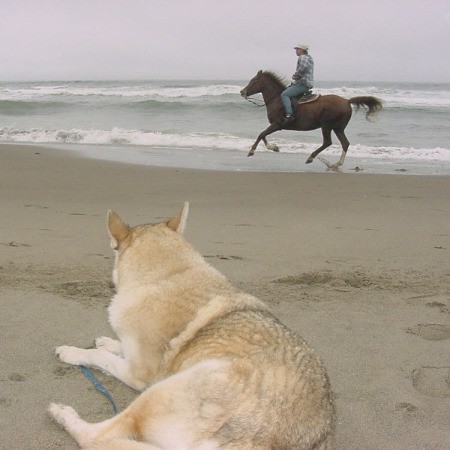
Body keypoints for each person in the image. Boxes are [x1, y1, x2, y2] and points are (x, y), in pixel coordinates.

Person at [281, 44, 314, 124]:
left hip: (303, 83)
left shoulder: (303, 57)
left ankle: (289, 115)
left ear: (302, 50)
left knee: (284, 95)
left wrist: (296, 75)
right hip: (306, 83)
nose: (296, 51)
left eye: (297, 49)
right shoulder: (309, 58)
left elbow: (303, 67)